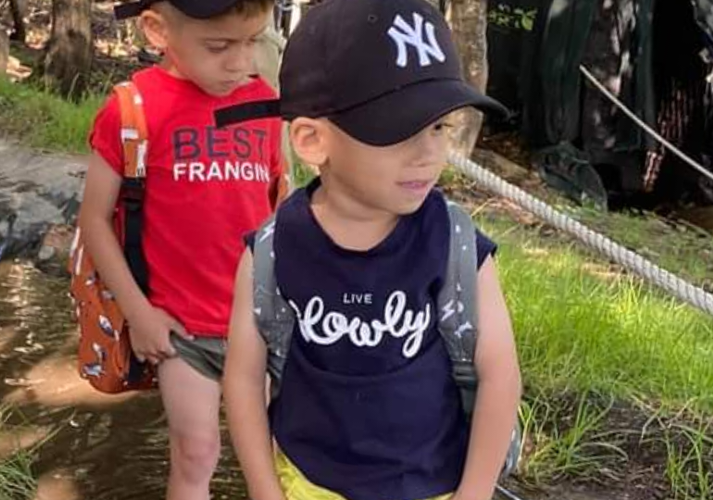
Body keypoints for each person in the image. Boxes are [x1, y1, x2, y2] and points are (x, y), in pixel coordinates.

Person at [221, 1, 523, 499]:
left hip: (434, 486)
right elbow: (244, 379)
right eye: (401, 129)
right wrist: (265, 489)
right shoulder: (273, 252)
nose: (429, 153)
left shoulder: (454, 245)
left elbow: (500, 375)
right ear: (313, 140)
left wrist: (473, 494)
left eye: (438, 127)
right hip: (308, 486)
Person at [77, 1, 286, 499]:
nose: (239, 62)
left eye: (252, 41)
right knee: (196, 452)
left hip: (255, 325)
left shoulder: (265, 105)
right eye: (218, 47)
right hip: (181, 328)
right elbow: (94, 219)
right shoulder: (133, 109)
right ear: (157, 30)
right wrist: (139, 313)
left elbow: (279, 208)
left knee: (270, 452)